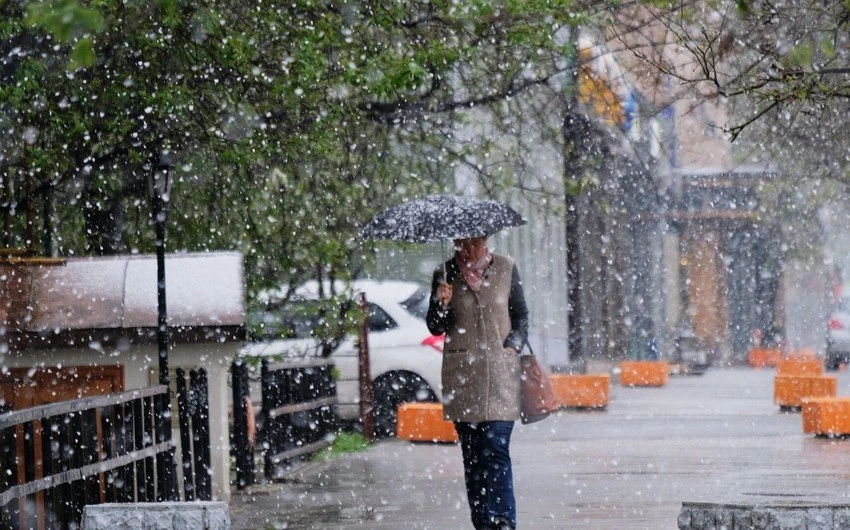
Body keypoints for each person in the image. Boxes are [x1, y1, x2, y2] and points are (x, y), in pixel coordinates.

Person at [426, 235, 529, 530]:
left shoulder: (507, 267)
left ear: (485, 240)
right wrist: (441, 304)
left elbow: (521, 317)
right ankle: (482, 522)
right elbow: (434, 326)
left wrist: (513, 345)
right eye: (461, 243)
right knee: (473, 458)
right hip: (463, 377)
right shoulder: (444, 273)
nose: (467, 249)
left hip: (500, 374)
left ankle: (503, 520)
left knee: (496, 449)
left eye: (474, 242)